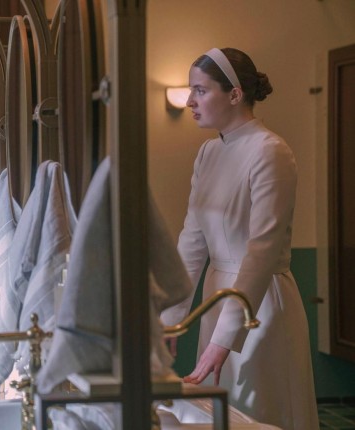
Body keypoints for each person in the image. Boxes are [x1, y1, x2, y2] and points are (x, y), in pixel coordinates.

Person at [161, 48, 319, 429]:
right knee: (218, 415)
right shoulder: (208, 153)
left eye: (200, 90)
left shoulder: (271, 151)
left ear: (234, 94)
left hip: (258, 309)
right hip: (217, 298)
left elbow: (261, 253)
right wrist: (171, 320)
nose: (190, 100)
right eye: (190, 90)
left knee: (259, 412)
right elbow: (191, 243)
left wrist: (224, 339)